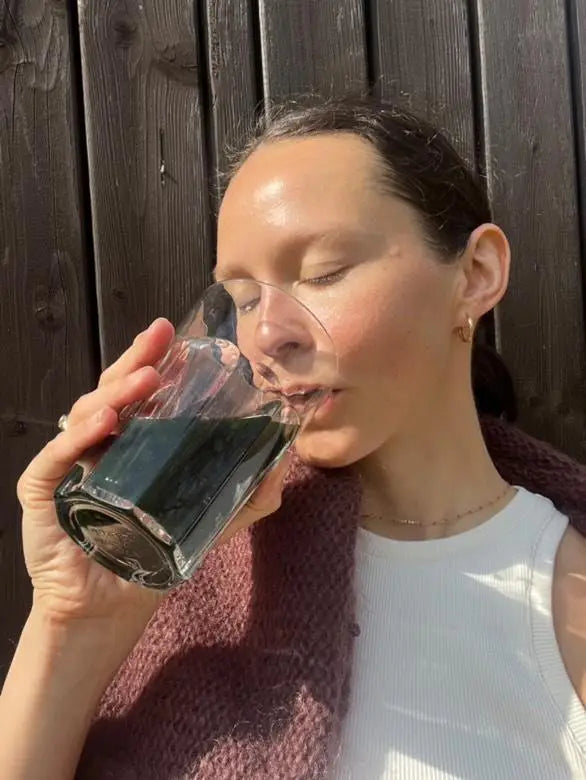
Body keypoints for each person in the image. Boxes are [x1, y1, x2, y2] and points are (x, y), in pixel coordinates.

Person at [1, 96, 585, 779]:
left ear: (476, 274)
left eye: (323, 272)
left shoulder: (566, 581)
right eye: (244, 300)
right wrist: (74, 620)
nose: (267, 335)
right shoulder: (196, 576)